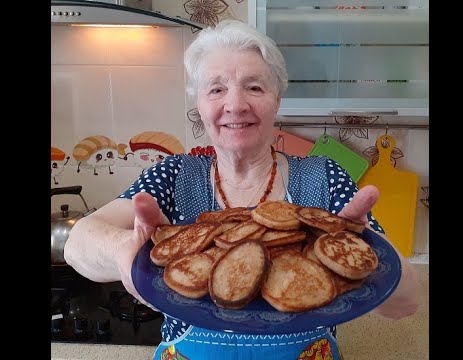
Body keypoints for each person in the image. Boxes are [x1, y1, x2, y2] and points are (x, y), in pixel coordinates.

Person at [65, 19, 421, 360]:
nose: (235, 104)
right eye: (217, 89)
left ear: (277, 100)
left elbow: (408, 301)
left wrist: (364, 251)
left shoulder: (324, 177)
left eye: (254, 87)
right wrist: (123, 253)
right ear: (200, 104)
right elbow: (78, 244)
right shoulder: (172, 175)